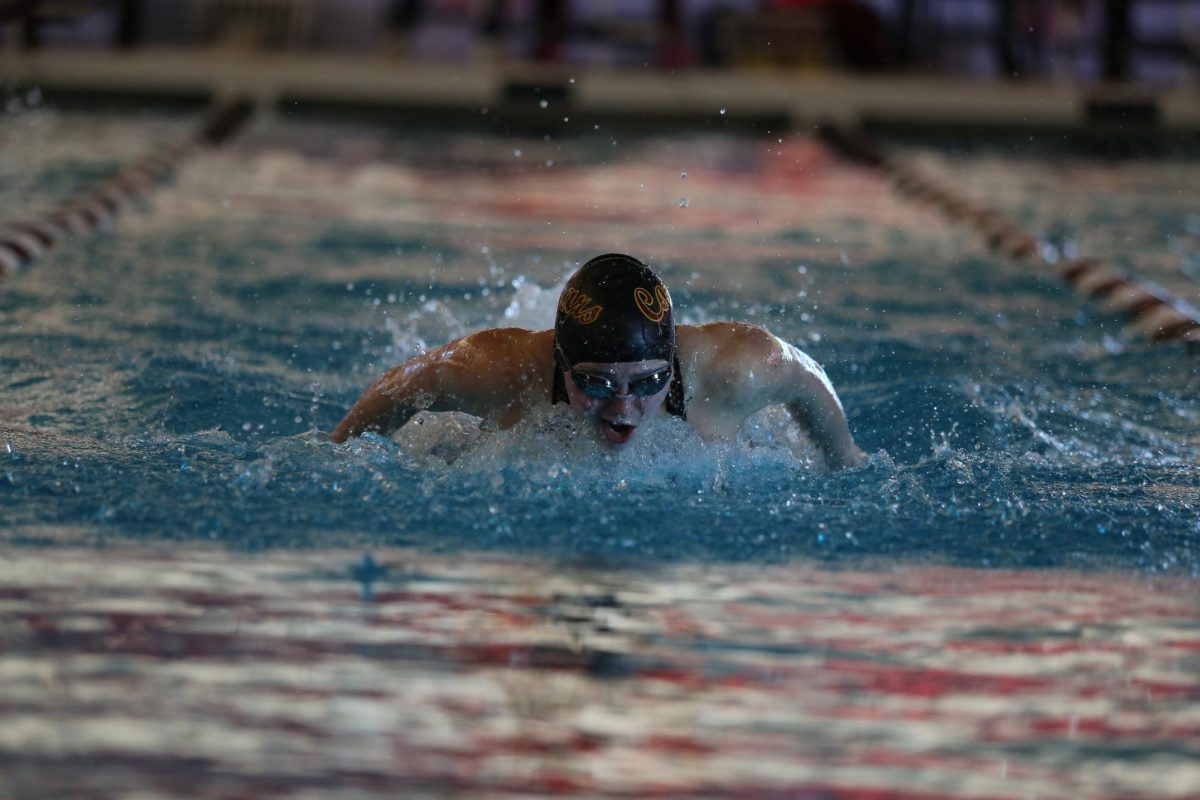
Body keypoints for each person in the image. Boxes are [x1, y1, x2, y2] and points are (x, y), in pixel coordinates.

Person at [332, 253, 867, 470]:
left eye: (647, 383)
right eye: (598, 384)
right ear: (560, 364)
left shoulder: (739, 368)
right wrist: (338, 453)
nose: (623, 407)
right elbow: (401, 384)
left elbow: (807, 377)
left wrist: (843, 461)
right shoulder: (501, 369)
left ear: (671, 362)